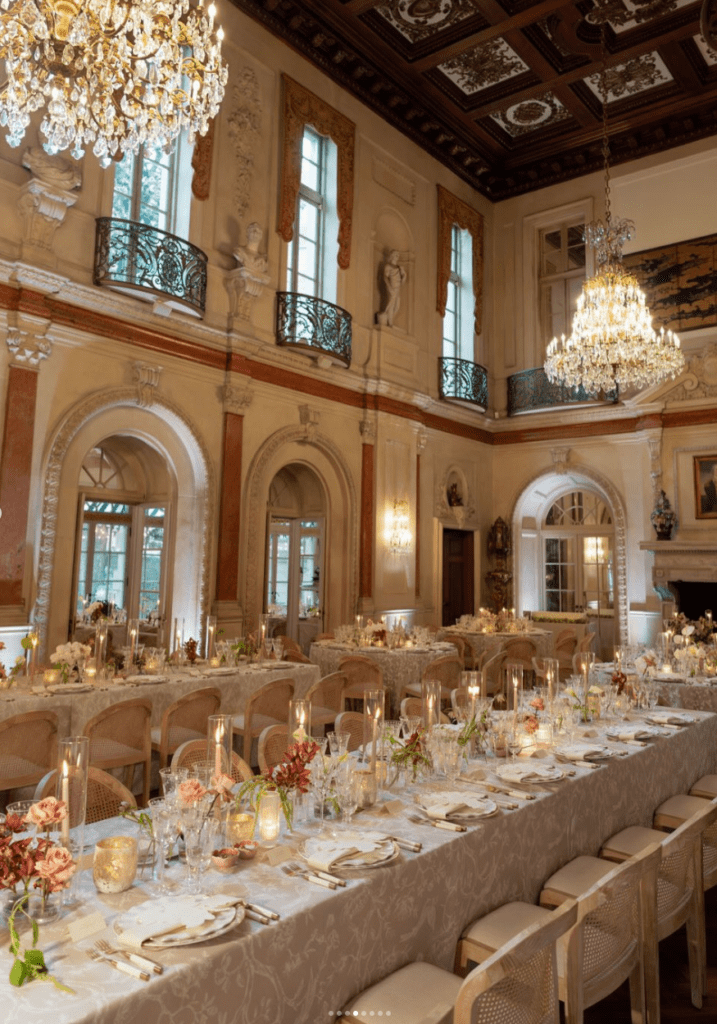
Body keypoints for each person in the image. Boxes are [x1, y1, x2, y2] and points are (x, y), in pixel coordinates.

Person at [377, 250, 406, 327]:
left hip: (397, 288)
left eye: (398, 255)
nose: (397, 256)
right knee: (391, 304)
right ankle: (389, 322)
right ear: (392, 256)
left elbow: (403, 279)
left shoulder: (399, 268)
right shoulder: (388, 266)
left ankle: (389, 318)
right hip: (392, 287)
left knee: (397, 305)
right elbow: (385, 277)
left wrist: (404, 274)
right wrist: (389, 288)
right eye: (396, 255)